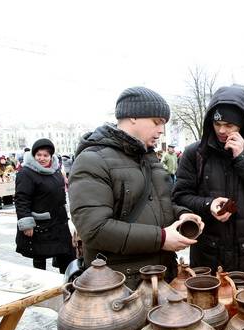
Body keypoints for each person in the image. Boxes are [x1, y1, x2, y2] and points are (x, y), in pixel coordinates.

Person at [68, 87, 203, 289]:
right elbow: (94, 229)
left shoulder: (149, 158)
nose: (161, 130)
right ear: (132, 116)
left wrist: (182, 215)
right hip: (118, 286)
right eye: (156, 122)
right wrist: (162, 239)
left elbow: (159, 205)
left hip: (161, 277)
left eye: (164, 124)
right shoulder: (93, 160)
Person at [173, 85, 244, 280]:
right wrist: (208, 205)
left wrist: (242, 158)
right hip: (208, 254)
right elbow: (179, 197)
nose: (221, 130)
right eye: (217, 123)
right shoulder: (195, 153)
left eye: (229, 125)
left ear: (242, 124)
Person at [15, 139, 75, 273]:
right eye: (39, 155)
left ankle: (65, 281)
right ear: (34, 155)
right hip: (39, 223)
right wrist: (26, 223)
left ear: (51, 156)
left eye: (45, 155)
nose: (42, 158)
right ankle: (41, 281)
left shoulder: (56, 171)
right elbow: (21, 199)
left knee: (65, 254)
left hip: (58, 222)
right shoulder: (26, 173)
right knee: (39, 256)